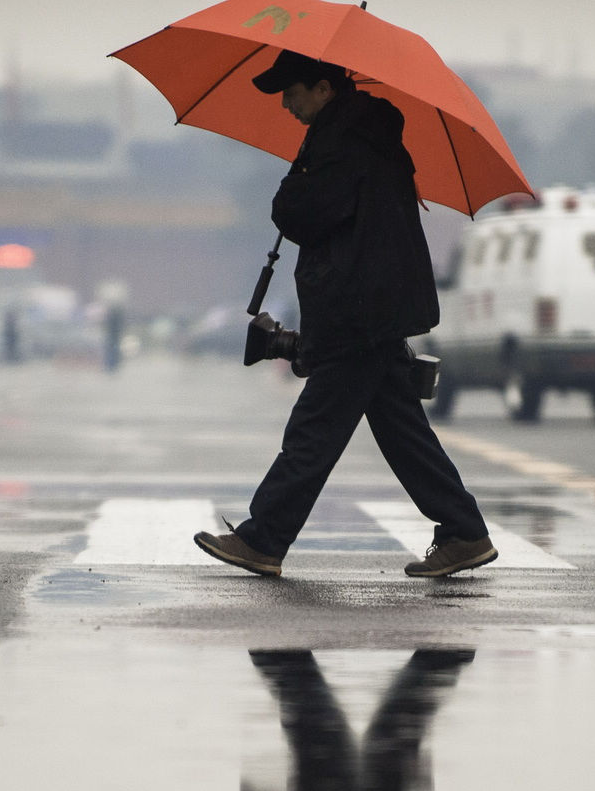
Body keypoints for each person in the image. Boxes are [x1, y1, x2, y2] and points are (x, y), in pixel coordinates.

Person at [193, 50, 497, 579]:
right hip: (375, 304)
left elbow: (300, 214)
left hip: (358, 309)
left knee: (314, 430)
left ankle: (264, 539)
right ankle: (464, 533)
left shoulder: (343, 142)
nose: (286, 102)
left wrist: (296, 179)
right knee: (404, 433)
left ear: (325, 89)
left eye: (292, 91)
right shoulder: (363, 136)